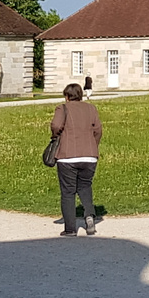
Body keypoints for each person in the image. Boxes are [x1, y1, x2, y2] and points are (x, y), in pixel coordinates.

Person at [50, 82, 102, 237]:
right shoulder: (91, 108)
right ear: (80, 95)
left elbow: (56, 125)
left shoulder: (62, 108)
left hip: (67, 156)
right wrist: (93, 145)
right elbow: (98, 130)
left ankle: (70, 229)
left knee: (68, 192)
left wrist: (55, 135)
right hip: (89, 155)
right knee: (85, 187)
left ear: (67, 97)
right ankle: (89, 216)